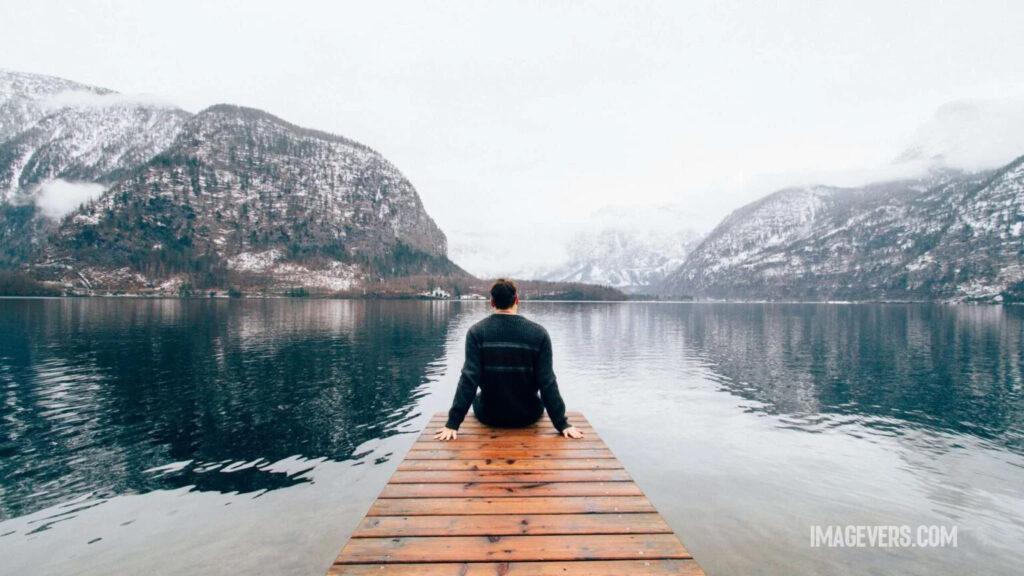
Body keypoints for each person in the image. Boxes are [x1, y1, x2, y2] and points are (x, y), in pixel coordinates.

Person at [435, 279, 584, 441]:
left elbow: (469, 379)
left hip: (489, 415)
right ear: (517, 300)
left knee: (479, 395)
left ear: (492, 302)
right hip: (528, 416)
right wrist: (562, 424)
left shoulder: (476, 332)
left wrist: (453, 423)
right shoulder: (539, 334)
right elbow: (547, 382)